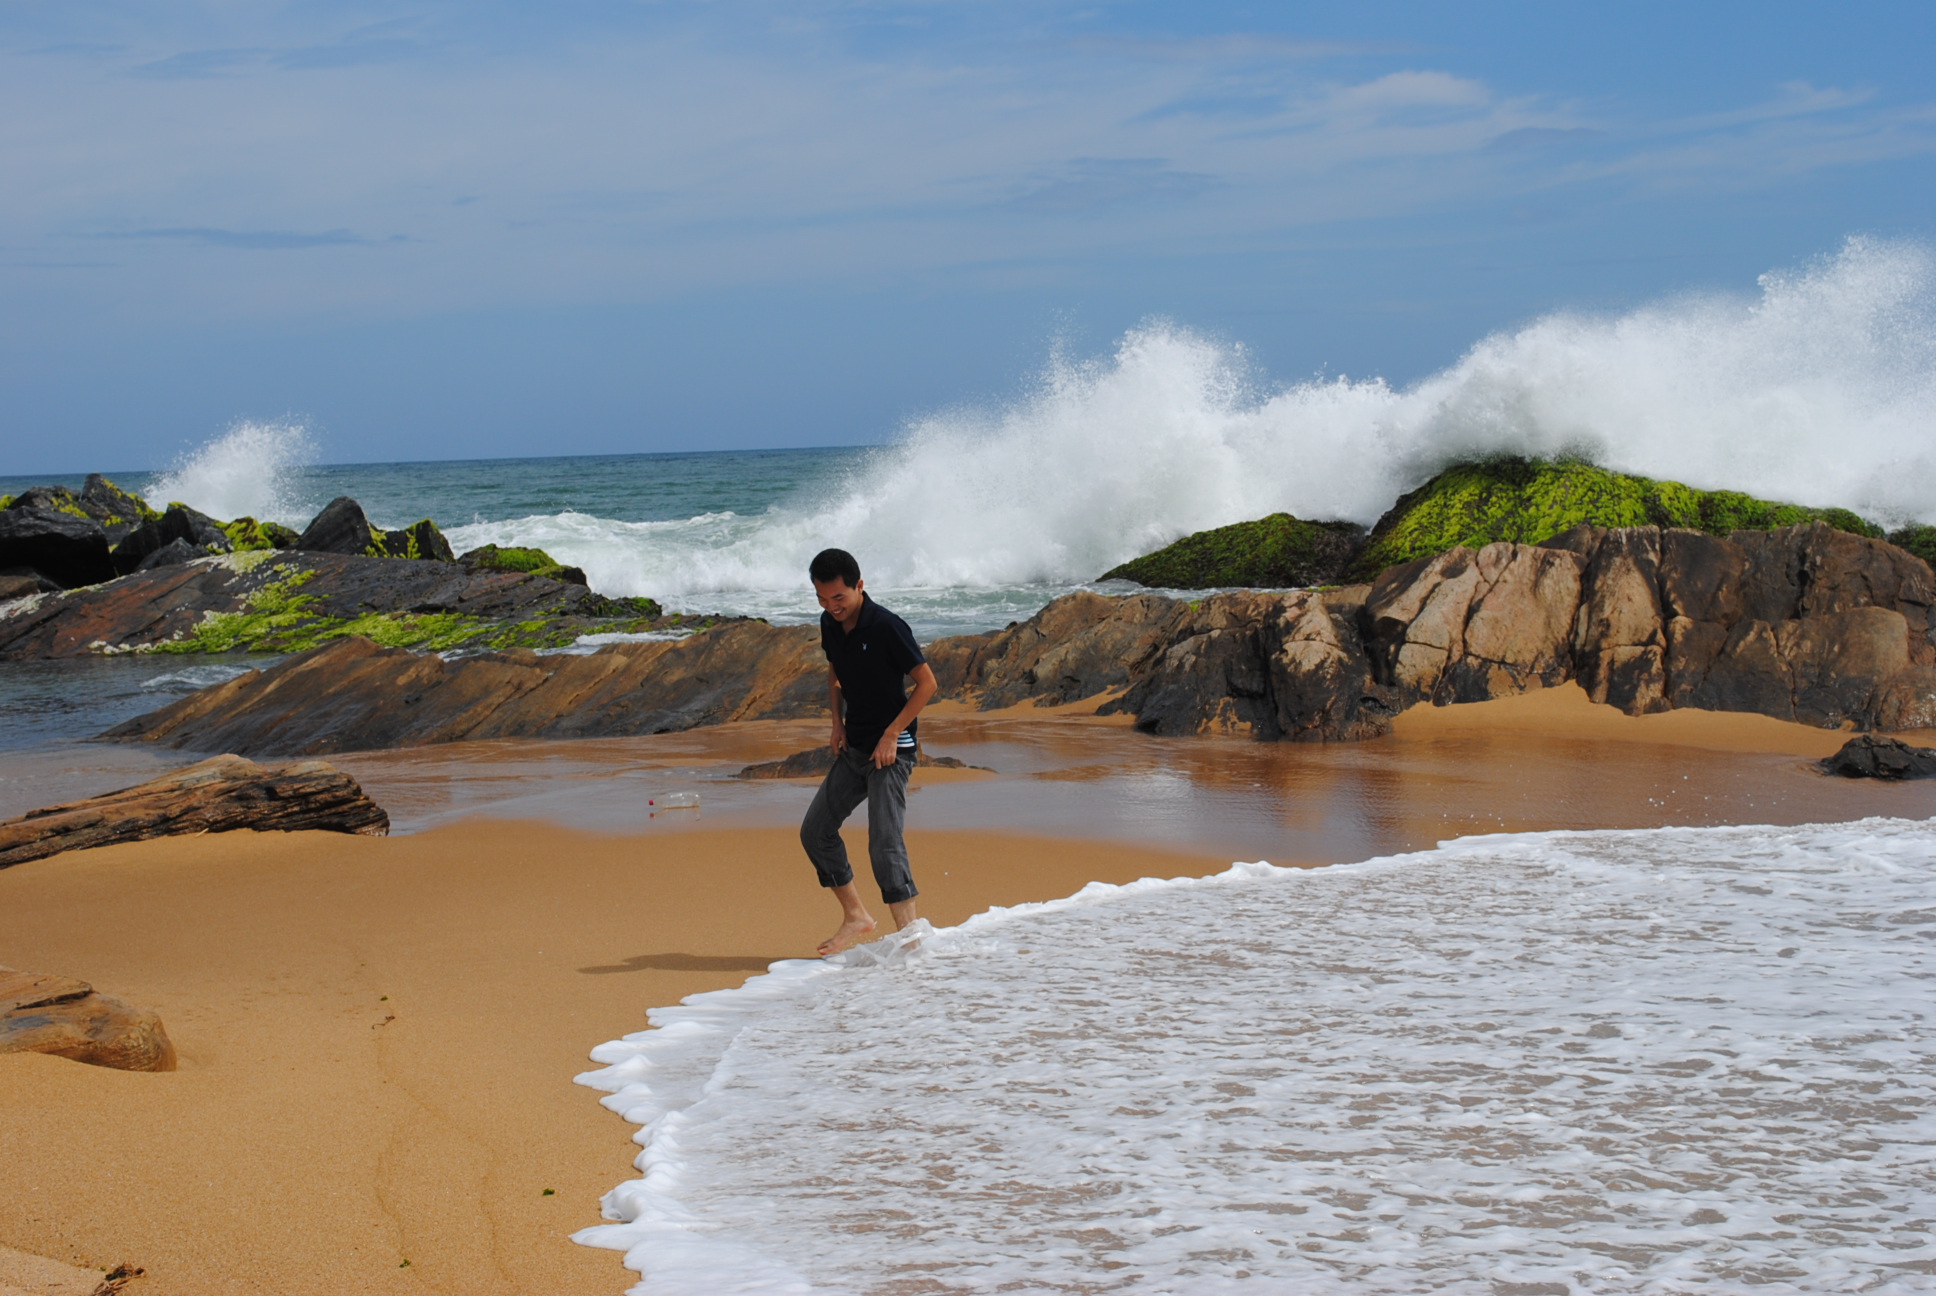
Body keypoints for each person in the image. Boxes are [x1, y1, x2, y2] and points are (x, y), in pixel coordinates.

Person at [799, 548, 938, 957]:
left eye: (839, 598)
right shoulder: (830, 622)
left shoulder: (887, 627)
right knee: (815, 831)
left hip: (892, 750)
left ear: (860, 586)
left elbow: (927, 684)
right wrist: (836, 722)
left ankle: (912, 939)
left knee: (884, 841)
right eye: (823, 600)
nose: (832, 607)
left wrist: (892, 734)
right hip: (856, 745)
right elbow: (835, 670)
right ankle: (856, 915)